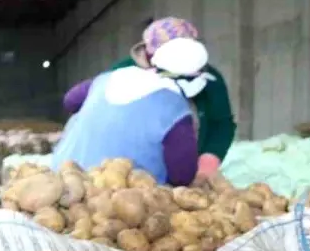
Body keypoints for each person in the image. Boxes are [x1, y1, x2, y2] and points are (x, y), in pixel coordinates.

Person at [63, 17, 235, 181]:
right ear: (148, 54)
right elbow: (78, 103)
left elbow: (222, 124)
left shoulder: (209, 79)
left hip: (179, 171)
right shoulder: (124, 72)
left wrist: (207, 162)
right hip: (121, 171)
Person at [52, 64, 197, 185]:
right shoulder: (175, 106)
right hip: (120, 191)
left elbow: (70, 101)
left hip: (61, 174)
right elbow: (182, 174)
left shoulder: (107, 78)